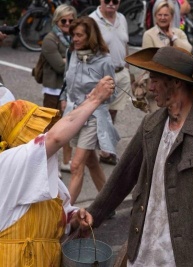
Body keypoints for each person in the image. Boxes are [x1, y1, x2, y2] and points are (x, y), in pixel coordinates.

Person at [88, 46, 193, 267]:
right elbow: (123, 175)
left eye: (155, 80)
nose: (150, 87)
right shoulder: (151, 124)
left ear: (176, 82)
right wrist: (93, 216)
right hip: (147, 249)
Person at [0, 74, 116, 265]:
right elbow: (55, 138)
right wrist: (95, 98)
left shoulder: (41, 172)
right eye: (35, 129)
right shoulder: (8, 164)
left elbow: (60, 217)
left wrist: (76, 218)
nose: (42, 132)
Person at [60, 17, 120, 205]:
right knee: (91, 162)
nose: (75, 39)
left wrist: (97, 96)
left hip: (94, 116)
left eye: (79, 35)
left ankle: (64, 214)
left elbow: (112, 93)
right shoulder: (72, 54)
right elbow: (66, 81)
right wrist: (64, 100)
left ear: (90, 36)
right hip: (75, 113)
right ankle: (108, 205)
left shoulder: (104, 61)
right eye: (73, 35)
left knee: (77, 165)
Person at [41, 4, 77, 172]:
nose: (68, 23)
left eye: (71, 20)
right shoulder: (50, 39)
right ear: (57, 20)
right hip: (53, 91)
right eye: (64, 20)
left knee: (67, 128)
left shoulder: (75, 38)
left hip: (70, 90)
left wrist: (66, 60)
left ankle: (66, 161)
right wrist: (69, 61)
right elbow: (60, 66)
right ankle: (50, 165)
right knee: (52, 129)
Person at [90, 0, 132, 125]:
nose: (111, 3)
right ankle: (96, 142)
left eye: (115, 1)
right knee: (98, 112)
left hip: (121, 73)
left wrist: (128, 70)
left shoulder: (122, 18)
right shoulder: (92, 21)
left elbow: (125, 44)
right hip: (102, 75)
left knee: (113, 112)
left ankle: (106, 141)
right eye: (107, 0)